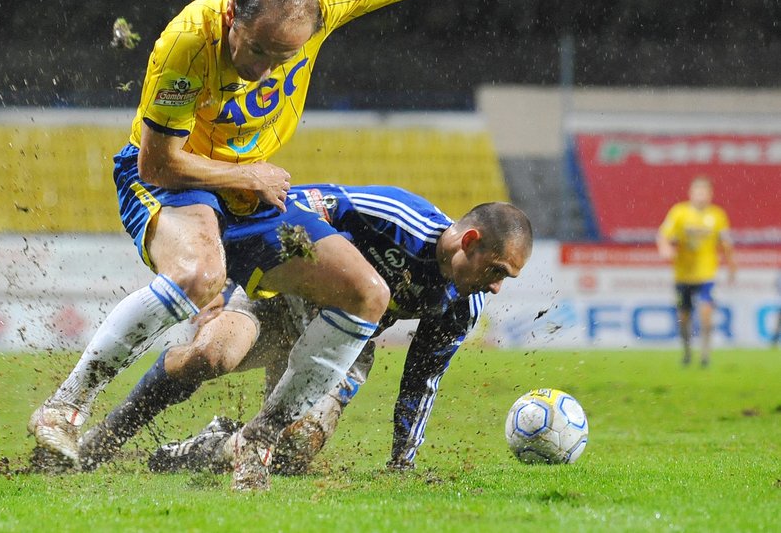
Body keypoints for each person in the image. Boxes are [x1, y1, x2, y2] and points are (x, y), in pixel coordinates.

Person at [28, 0, 618, 484]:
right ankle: (64, 411)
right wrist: (247, 178)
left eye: (281, 59)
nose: (261, 71)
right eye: (255, 51)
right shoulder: (187, 44)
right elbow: (161, 166)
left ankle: (252, 445)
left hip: (249, 192)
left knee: (368, 294)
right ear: (234, 15)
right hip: (174, 178)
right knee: (197, 277)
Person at [67, 185, 532, 484]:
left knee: (293, 452)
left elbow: (423, 377)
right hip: (280, 298)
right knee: (210, 356)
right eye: (497, 270)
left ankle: (207, 446)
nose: (495, 286)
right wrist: (226, 270)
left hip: (346, 341)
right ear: (469, 241)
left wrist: (402, 462)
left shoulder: (465, 300)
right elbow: (295, 204)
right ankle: (107, 436)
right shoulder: (397, 216)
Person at [656, 176, 737, 367]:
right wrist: (665, 248)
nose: (701, 196)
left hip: (706, 273)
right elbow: (663, 235)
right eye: (697, 192)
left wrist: (732, 265)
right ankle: (687, 351)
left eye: (704, 192)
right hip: (683, 274)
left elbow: (725, 243)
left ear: (710, 195)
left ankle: (705, 355)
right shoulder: (679, 212)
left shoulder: (717, 215)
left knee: (706, 314)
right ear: (691, 194)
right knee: (683, 318)